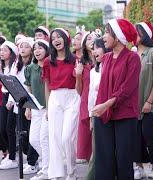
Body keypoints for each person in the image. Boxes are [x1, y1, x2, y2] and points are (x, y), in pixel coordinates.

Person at [91, 18, 140, 180]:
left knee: (123, 161)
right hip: (104, 115)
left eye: (107, 32)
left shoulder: (132, 58)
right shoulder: (106, 58)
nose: (103, 36)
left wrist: (107, 104)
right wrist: (99, 109)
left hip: (125, 116)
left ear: (118, 37)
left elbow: (127, 89)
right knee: (104, 160)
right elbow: (103, 87)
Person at [43, 28, 80, 180]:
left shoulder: (75, 59)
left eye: (59, 37)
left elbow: (80, 85)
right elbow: (47, 85)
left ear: (65, 38)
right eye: (53, 38)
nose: (56, 40)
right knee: (55, 138)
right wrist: (46, 107)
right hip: (55, 98)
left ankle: (72, 172)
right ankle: (56, 173)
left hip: (72, 97)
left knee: (67, 137)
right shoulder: (48, 61)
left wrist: (78, 75)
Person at [133, 22, 153, 179]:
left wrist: (149, 101)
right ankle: (138, 167)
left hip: (151, 104)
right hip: (134, 105)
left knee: (149, 134)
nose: (134, 36)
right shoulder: (132, 54)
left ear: (144, 35)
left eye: (137, 33)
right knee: (136, 137)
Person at [6, 37, 39, 174]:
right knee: (22, 135)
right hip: (19, 104)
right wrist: (10, 100)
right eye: (21, 46)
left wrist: (29, 106)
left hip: (30, 103)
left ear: (31, 49)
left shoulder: (33, 65)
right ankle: (33, 158)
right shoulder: (16, 64)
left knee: (32, 134)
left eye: (26, 46)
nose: (22, 49)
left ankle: (32, 161)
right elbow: (12, 82)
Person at [25, 39, 50, 180]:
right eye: (35, 48)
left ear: (46, 50)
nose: (37, 51)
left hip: (48, 108)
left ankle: (46, 169)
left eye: (40, 48)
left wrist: (49, 108)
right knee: (34, 139)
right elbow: (28, 88)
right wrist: (27, 108)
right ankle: (48, 162)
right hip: (35, 109)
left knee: (44, 139)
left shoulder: (50, 66)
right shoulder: (30, 68)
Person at [86, 37, 110, 180]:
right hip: (97, 113)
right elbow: (90, 95)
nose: (94, 52)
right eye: (92, 49)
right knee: (97, 151)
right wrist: (91, 116)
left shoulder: (111, 66)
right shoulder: (93, 71)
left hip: (110, 111)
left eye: (97, 48)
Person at [0, 41, 19, 170]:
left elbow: (11, 83)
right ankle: (10, 154)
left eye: (4, 50)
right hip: (4, 96)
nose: (1, 53)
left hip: (11, 97)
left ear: (11, 52)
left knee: (9, 128)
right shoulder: (3, 66)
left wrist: (0, 73)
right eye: (1, 50)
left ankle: (12, 158)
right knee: (2, 128)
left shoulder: (14, 65)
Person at [76, 31, 96, 164]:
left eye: (95, 38)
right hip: (85, 100)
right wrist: (78, 75)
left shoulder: (105, 59)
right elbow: (79, 90)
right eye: (89, 38)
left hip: (100, 100)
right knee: (87, 132)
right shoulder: (81, 63)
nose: (92, 40)